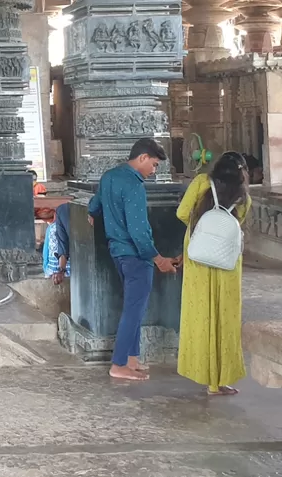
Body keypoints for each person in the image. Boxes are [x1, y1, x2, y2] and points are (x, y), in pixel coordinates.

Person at [87, 137, 177, 381]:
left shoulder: (109, 177)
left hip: (117, 252)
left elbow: (94, 205)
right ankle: (118, 364)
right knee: (133, 311)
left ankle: (132, 360)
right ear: (143, 158)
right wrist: (157, 258)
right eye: (155, 164)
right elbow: (138, 231)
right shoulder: (134, 186)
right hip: (136, 256)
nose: (154, 170)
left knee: (134, 307)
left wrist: (92, 215)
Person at [176, 151, 252, 396]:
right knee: (225, 319)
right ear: (242, 173)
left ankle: (203, 373)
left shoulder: (201, 183)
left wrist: (201, 225)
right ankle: (219, 381)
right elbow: (237, 224)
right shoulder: (243, 198)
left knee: (201, 315)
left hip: (198, 258)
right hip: (227, 262)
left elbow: (182, 213)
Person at [42, 201, 71, 284]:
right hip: (72, 271)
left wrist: (46, 271)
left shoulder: (50, 228)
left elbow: (45, 253)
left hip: (53, 271)